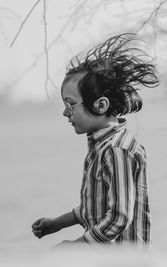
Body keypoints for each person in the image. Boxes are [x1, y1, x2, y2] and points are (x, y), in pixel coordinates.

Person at [32, 33, 159, 245]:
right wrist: (57, 223)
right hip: (105, 261)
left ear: (100, 105)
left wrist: (76, 246)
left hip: (121, 266)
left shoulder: (117, 150)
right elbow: (95, 207)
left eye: (70, 105)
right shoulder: (101, 146)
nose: (65, 113)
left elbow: (118, 219)